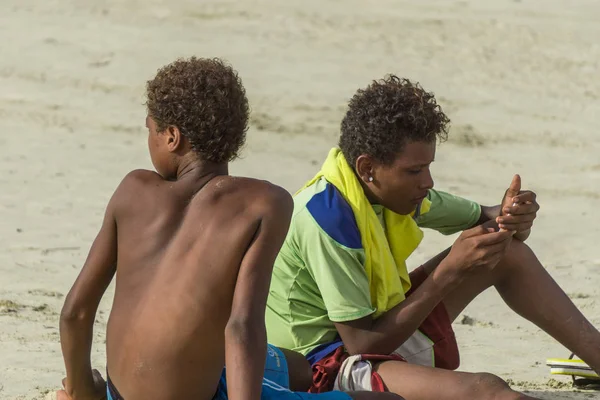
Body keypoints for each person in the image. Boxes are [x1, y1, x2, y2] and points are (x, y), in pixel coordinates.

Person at [56, 57, 402, 400]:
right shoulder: (264, 204)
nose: (150, 138)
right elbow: (241, 328)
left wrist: (83, 391)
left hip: (120, 395)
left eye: (151, 129)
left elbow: (75, 311)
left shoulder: (132, 189)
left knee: (297, 367)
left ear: (172, 137)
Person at [265, 75, 600, 400]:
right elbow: (362, 345)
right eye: (414, 171)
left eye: (428, 167)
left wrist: (514, 217)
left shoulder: (391, 193)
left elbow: (489, 218)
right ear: (367, 168)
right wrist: (449, 272)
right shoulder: (327, 218)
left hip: (374, 339)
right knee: (488, 390)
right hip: (323, 370)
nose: (428, 182)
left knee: (505, 251)